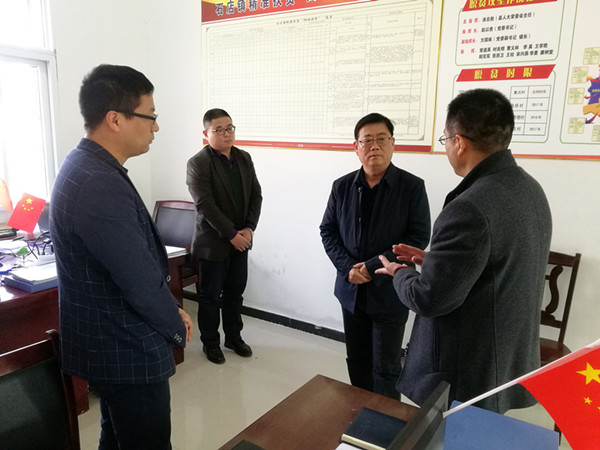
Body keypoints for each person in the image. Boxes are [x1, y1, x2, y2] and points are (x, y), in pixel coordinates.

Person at [377, 89, 552, 413]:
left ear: (459, 142)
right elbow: (496, 264)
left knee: (451, 434)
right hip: (505, 354)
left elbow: (430, 299)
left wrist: (399, 272)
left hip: (468, 368)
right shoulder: (529, 188)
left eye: (445, 140)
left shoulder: (469, 207)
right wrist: (436, 261)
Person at [50, 64, 193, 449]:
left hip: (108, 341)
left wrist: (168, 307)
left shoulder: (85, 165)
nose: (155, 127)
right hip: (124, 347)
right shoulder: (98, 181)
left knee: (115, 439)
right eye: (150, 116)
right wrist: (173, 322)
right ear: (115, 119)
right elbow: (137, 278)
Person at [320, 113, 431, 399]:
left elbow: (418, 237)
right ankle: (359, 410)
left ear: (393, 144)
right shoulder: (342, 186)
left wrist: (369, 268)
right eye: (366, 140)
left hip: (390, 291)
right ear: (356, 147)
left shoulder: (412, 187)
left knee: (386, 367)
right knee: (357, 359)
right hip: (351, 291)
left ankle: (385, 420)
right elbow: (327, 231)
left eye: (382, 139)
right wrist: (348, 268)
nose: (374, 146)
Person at [186, 109, 262, 364]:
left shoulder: (243, 157)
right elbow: (205, 205)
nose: (226, 134)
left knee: (235, 293)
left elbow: (256, 195)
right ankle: (210, 343)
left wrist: (249, 228)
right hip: (213, 243)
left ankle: (233, 337)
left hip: (242, 240)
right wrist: (231, 234)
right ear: (206, 134)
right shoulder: (198, 163)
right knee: (210, 296)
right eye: (219, 130)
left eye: (229, 128)